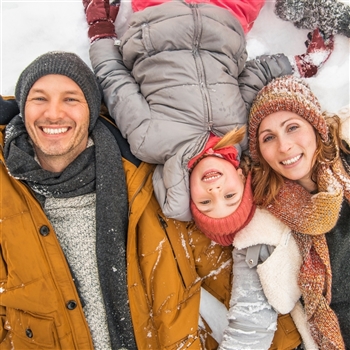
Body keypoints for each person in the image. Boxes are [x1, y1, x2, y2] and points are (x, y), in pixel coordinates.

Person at [0, 52, 234, 349]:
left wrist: (288, 341)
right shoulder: (5, 190)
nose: (54, 114)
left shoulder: (145, 177)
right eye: (39, 99)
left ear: (91, 109)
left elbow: (219, 263)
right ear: (22, 108)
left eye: (71, 99)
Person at [82, 0, 334, 222]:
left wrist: (100, 28)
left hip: (158, 18)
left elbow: (114, 80)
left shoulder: (150, 141)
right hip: (225, 17)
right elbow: (254, 75)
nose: (215, 191)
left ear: (186, 191)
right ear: (240, 176)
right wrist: (299, 65)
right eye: (230, 195)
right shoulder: (242, 132)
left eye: (205, 203)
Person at [188, 128, 315, 349]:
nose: (216, 191)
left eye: (293, 127)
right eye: (268, 137)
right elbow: (251, 320)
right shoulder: (256, 235)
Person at [248, 75, 350, 349]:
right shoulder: (266, 217)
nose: (284, 146)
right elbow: (281, 299)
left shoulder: (347, 160)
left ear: (316, 125)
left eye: (292, 127)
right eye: (268, 137)